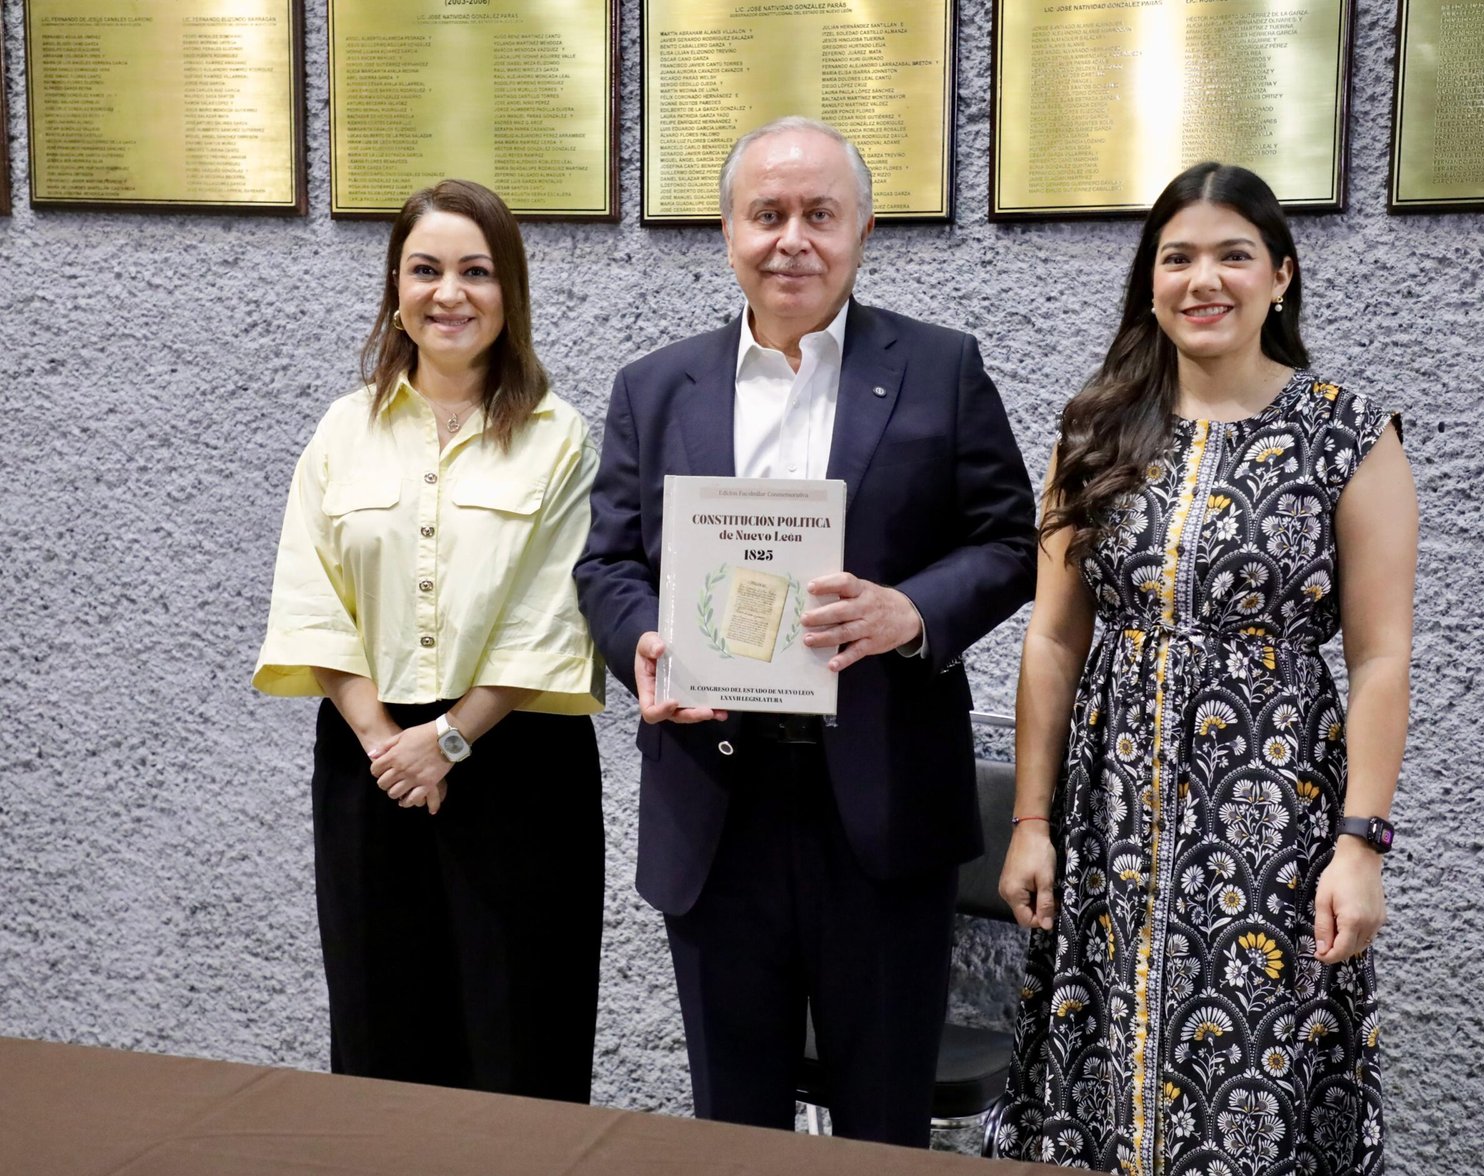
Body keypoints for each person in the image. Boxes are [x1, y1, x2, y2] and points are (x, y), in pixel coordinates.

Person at [575, 116, 1035, 1146]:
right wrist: (642, 639)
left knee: (881, 1127)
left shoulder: (940, 368)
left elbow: (1011, 541)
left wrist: (913, 612)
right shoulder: (656, 387)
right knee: (732, 1128)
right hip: (715, 807)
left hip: (882, 806)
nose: (792, 239)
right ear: (728, 232)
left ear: (862, 229)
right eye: (767, 214)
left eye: (819, 214)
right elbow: (607, 564)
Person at [986, 161, 1416, 1173]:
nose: (1203, 280)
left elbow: (1380, 656)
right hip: (1109, 822)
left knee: (1253, 1070)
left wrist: (1361, 845)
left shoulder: (1348, 436)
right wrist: (1032, 822)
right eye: (1177, 258)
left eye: (1233, 255)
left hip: (1272, 825)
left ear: (1280, 275)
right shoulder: (1095, 430)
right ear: (1151, 283)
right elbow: (1053, 638)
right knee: (1099, 1068)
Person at [253, 179, 605, 1101]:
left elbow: (551, 613)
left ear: (509, 290)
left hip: (518, 763)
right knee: (380, 1030)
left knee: (522, 1034)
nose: (450, 294)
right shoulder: (343, 431)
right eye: (426, 270)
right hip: (371, 768)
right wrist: (388, 745)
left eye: (476, 272)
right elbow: (313, 598)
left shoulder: (558, 436)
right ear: (396, 287)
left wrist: (445, 741)